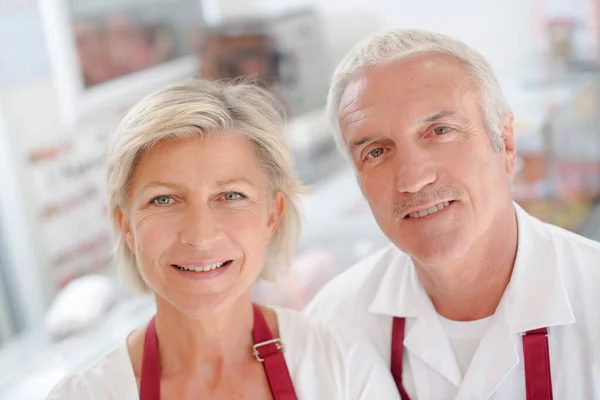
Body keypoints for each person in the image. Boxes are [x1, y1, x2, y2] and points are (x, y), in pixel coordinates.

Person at [47, 80, 400, 399]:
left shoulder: (340, 366)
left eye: (231, 196)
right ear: (126, 226)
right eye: (164, 200)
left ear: (272, 216)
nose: (200, 236)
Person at [306, 29, 600, 399]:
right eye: (376, 152)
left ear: (506, 143)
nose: (412, 179)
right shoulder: (330, 325)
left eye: (439, 131)